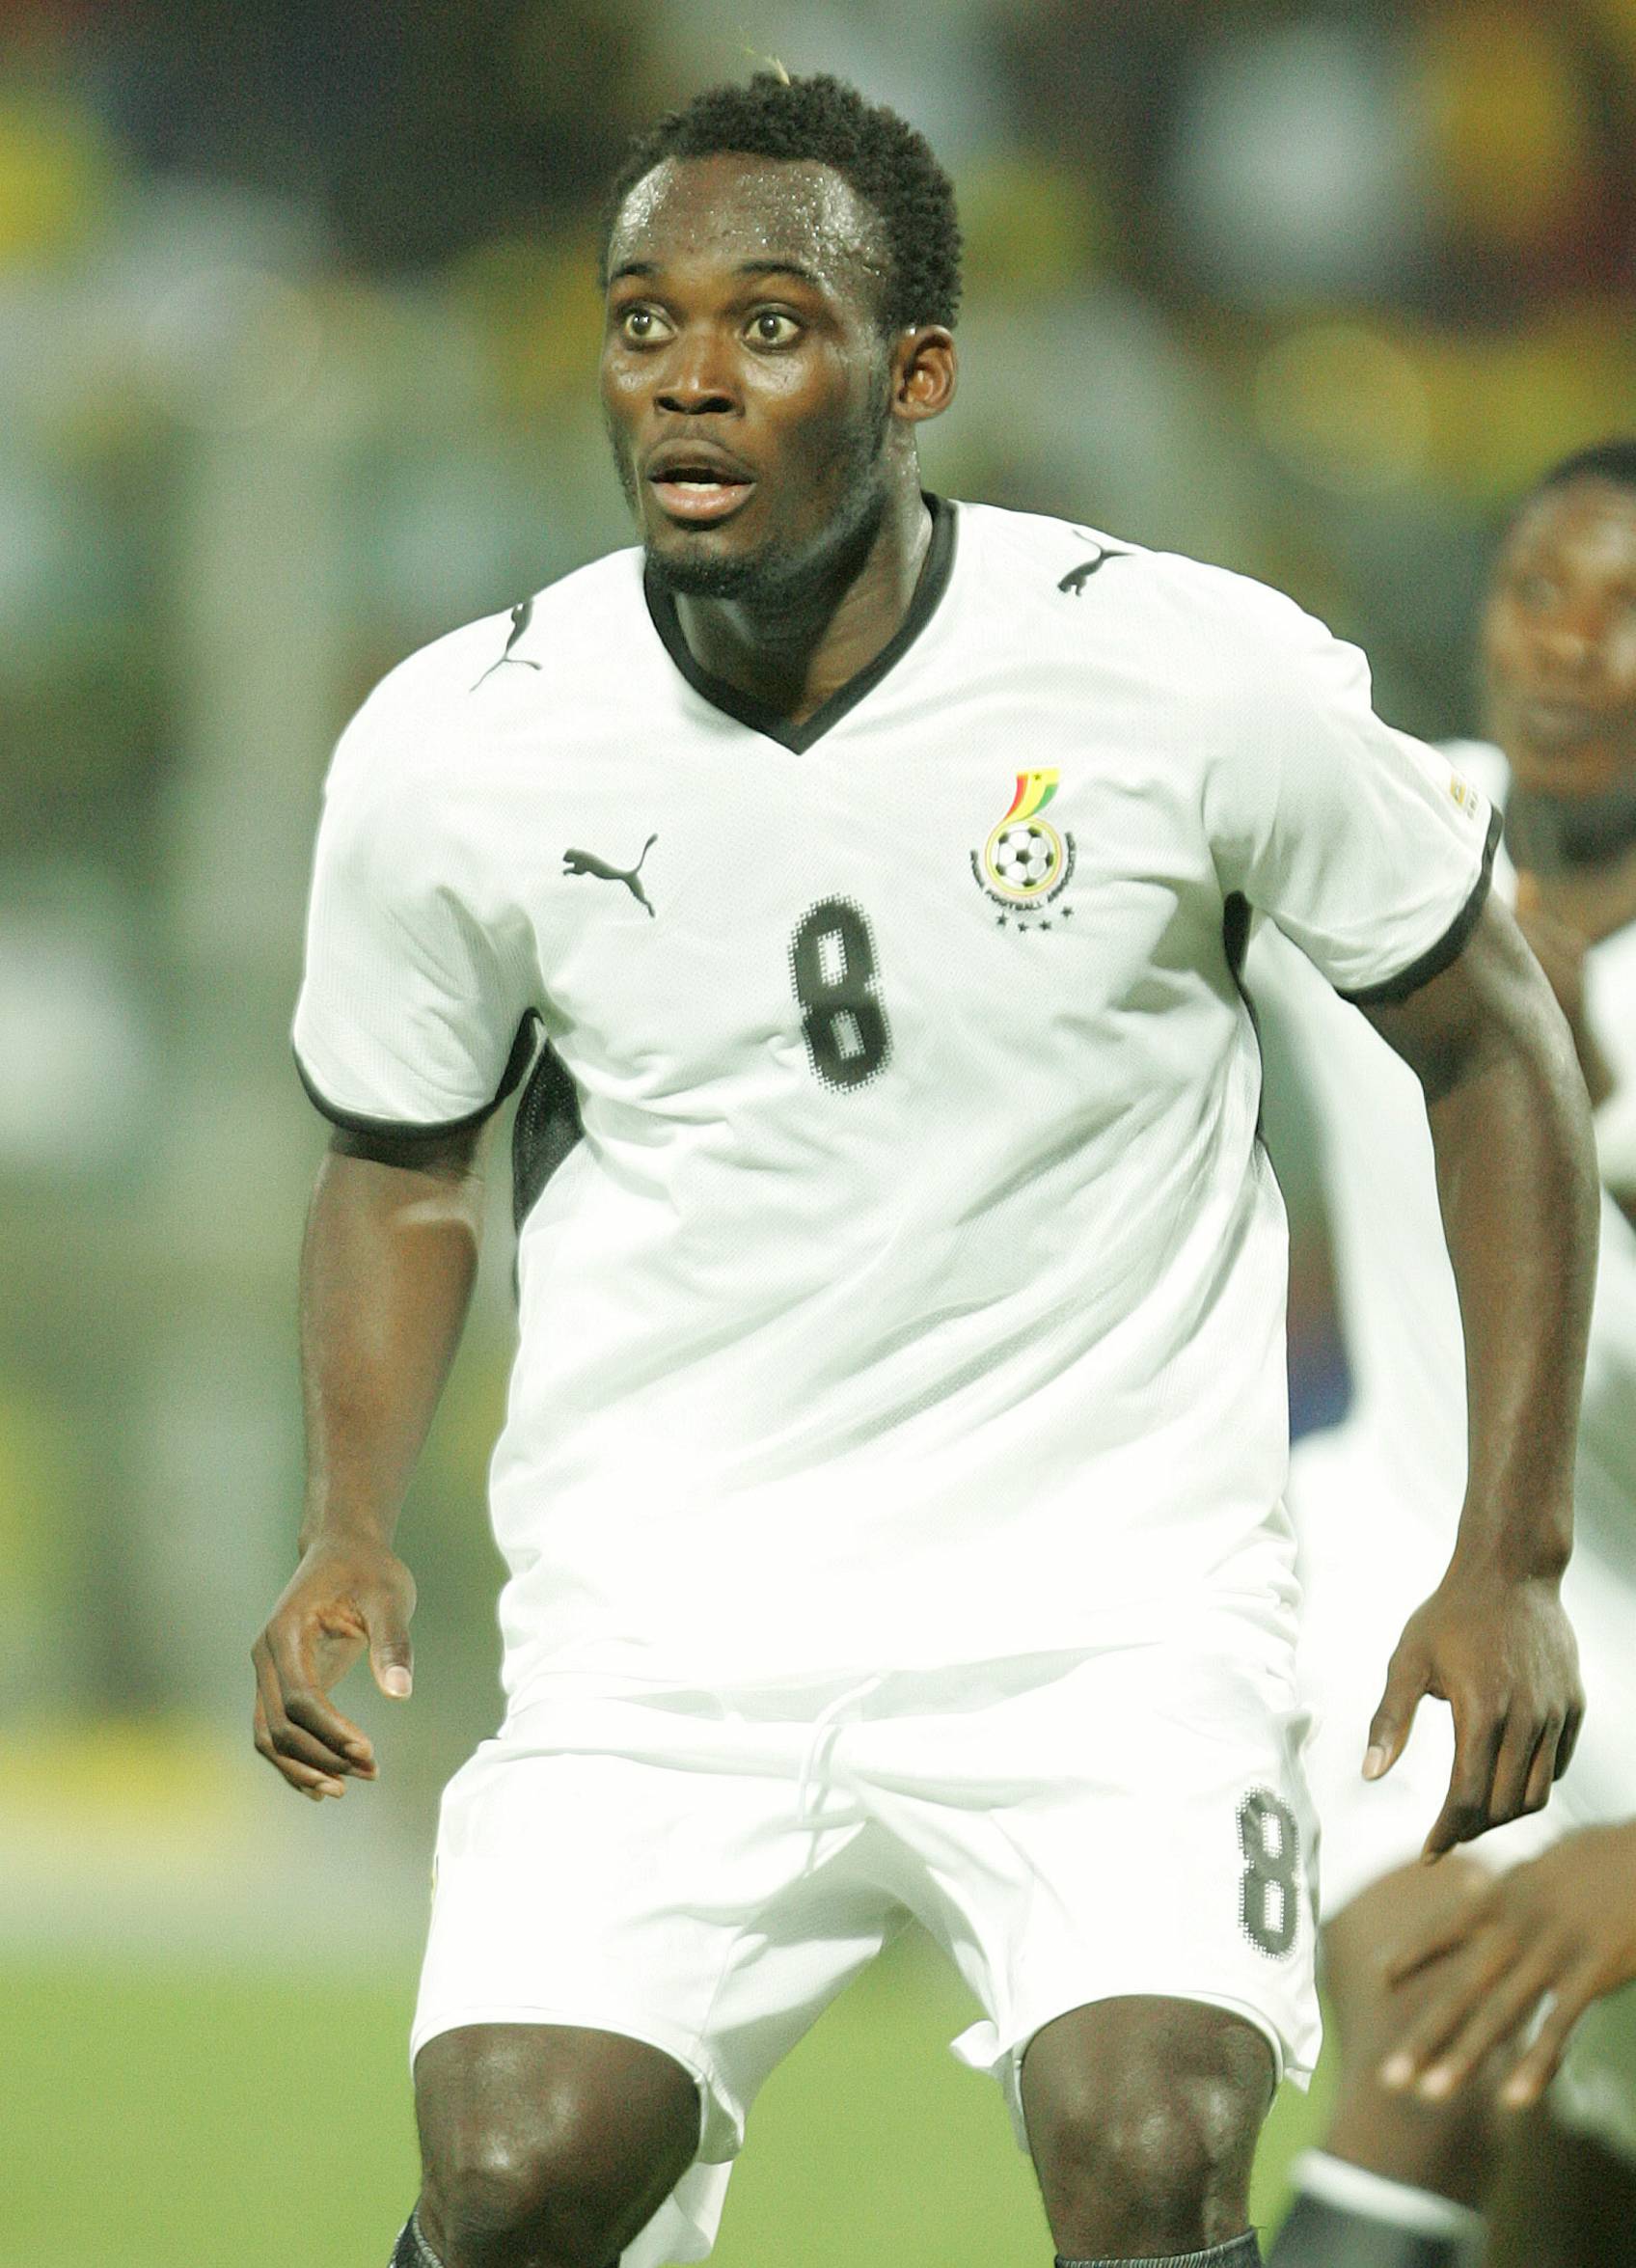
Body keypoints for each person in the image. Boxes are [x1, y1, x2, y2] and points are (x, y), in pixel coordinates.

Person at [251, 73, 1596, 2268]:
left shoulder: (1184, 675)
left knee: (1150, 2140)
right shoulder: (458, 743)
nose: (688, 375)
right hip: (662, 1622)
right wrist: (341, 1522)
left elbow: (1487, 1040)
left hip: (1105, 1614)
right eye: (639, 319)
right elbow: (400, 1162)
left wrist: (1503, 1549)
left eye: (770, 323)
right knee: (513, 2169)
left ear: (917, 376)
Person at [1248, 442, 1636, 2268]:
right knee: (1438, 2042)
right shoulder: (1400, 843)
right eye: (1537, 594)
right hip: (1421, 1609)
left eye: (1634, 614)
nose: (1572, 652)